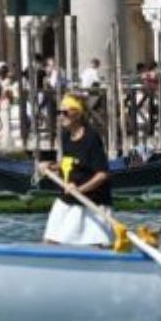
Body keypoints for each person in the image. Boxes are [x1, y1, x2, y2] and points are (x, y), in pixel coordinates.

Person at [37, 94, 112, 247]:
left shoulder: (91, 138)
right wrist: (51, 166)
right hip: (68, 197)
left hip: (92, 200)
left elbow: (102, 174)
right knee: (50, 240)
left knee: (96, 245)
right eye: (59, 112)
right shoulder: (66, 136)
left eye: (65, 113)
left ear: (77, 114)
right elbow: (69, 162)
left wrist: (80, 189)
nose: (60, 116)